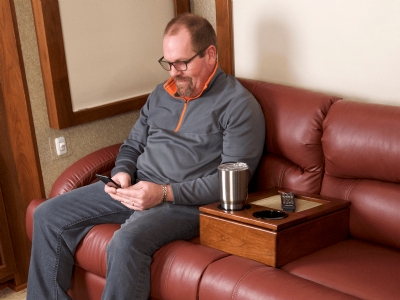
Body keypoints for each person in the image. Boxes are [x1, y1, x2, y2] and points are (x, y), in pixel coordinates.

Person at [27, 13, 265, 300]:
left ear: (210, 54)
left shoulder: (239, 106)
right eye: (168, 63)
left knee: (125, 242)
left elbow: (231, 185)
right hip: (136, 186)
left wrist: (163, 193)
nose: (173, 72)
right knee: (47, 214)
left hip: (185, 204)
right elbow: (132, 144)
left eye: (182, 63)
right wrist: (122, 173)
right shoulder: (160, 95)